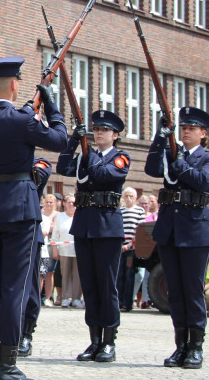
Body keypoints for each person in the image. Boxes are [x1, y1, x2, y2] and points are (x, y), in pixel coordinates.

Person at [0, 57, 68, 380]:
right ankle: (7, 365)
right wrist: (52, 109)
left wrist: (28, 113)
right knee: (15, 288)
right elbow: (59, 140)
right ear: (14, 84)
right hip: (19, 209)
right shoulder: (23, 120)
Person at [144, 106, 209, 370]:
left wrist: (179, 163)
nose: (186, 132)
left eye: (191, 128)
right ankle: (180, 345)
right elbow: (151, 168)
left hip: (195, 231)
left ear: (203, 133)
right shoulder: (170, 152)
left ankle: (196, 346)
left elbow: (203, 181)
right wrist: (160, 137)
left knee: (192, 290)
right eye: (183, 128)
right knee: (175, 291)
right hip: (170, 230)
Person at [58, 110, 130, 363]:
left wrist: (86, 154)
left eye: (104, 130)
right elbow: (63, 167)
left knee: (106, 285)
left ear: (115, 135)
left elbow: (103, 175)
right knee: (89, 285)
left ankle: (109, 341)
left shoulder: (121, 157)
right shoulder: (84, 156)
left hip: (108, 226)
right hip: (85, 223)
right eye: (96, 130)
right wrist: (72, 142)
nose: (99, 133)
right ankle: (94, 340)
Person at [18, 157, 54, 357]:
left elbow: (37, 177)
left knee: (30, 286)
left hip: (27, 228)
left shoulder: (39, 162)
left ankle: (25, 333)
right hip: (2, 226)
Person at [118, 187, 145, 312]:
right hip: (120, 248)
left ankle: (127, 303)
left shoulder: (139, 211)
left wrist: (129, 245)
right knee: (119, 275)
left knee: (129, 275)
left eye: (131, 196)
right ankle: (117, 301)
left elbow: (140, 230)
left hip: (131, 248)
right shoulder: (120, 211)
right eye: (126, 196)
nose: (128, 198)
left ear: (135, 198)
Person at [54, 194, 81, 308]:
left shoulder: (80, 216)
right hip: (64, 251)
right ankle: (66, 297)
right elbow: (55, 234)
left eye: (73, 202)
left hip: (78, 250)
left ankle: (76, 298)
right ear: (64, 203)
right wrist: (55, 249)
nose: (71, 204)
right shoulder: (60, 217)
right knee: (65, 274)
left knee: (77, 275)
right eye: (69, 202)